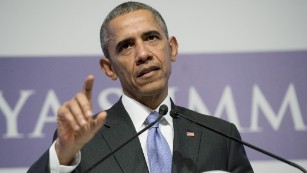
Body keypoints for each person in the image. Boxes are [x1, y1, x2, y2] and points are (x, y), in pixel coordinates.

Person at [28, 2, 253, 173]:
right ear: (109, 68)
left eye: (151, 38)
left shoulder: (221, 137)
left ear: (172, 48)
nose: (143, 54)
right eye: (126, 46)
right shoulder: (80, 143)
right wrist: (60, 155)